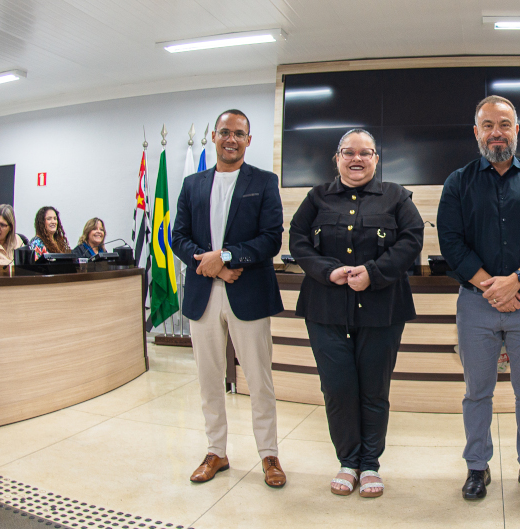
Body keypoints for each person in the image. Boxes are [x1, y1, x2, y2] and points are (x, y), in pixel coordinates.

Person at [437, 95, 520, 501]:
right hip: (475, 304)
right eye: (488, 125)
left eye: (504, 124)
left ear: (516, 130)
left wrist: (516, 281)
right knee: (478, 392)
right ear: (477, 133)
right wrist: (491, 287)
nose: (497, 132)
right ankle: (477, 467)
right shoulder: (457, 182)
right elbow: (451, 243)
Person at [289, 129, 424, 498]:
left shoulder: (397, 196)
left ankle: (371, 465)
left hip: (382, 307)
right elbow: (297, 240)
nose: (356, 159)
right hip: (326, 307)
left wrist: (374, 274)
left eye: (365, 153)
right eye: (348, 152)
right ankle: (348, 461)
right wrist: (325, 271)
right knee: (337, 387)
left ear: (376, 159)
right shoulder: (316, 197)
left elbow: (412, 239)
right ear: (337, 158)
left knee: (374, 390)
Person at [171, 108, 286, 486]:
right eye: (224, 132)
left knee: (259, 378)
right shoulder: (192, 184)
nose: (231, 139)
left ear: (248, 140)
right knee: (208, 378)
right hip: (204, 295)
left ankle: (269, 455)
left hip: (248, 292)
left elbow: (271, 238)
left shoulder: (265, 182)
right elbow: (178, 237)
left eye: (239, 133)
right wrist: (214, 265)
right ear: (215, 138)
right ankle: (215, 452)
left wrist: (229, 256)